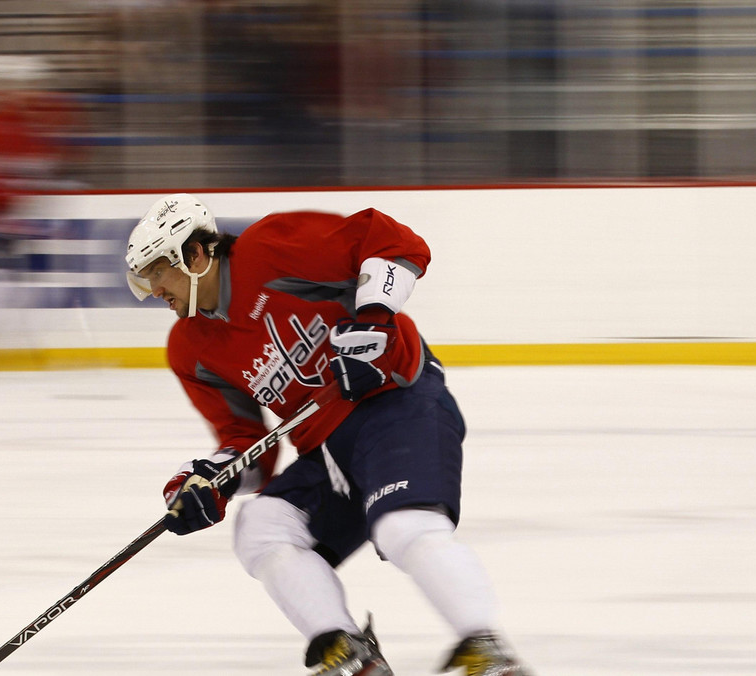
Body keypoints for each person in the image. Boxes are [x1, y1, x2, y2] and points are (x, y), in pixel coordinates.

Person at [125, 194, 533, 676]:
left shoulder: (270, 248)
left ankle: (486, 650)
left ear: (195, 255)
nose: (153, 290)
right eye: (144, 278)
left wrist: (375, 323)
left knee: (403, 527)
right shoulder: (190, 347)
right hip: (328, 453)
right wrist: (213, 480)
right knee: (262, 528)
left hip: (397, 403)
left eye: (157, 271)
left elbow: (395, 242)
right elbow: (249, 444)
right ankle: (350, 654)